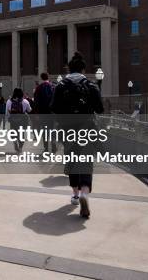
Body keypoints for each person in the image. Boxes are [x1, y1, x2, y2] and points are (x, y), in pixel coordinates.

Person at [51, 52, 103, 219]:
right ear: (83, 69)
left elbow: (53, 108)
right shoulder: (91, 85)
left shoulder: (60, 86)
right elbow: (100, 109)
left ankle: (75, 194)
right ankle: (85, 194)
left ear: (69, 69)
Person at [33, 72, 55, 153]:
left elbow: (36, 102)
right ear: (48, 77)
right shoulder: (53, 86)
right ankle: (53, 146)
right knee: (52, 130)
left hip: (42, 113)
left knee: (45, 130)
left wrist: (36, 114)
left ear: (41, 78)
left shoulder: (38, 88)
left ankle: (46, 148)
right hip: (52, 113)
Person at [7, 88, 31, 153]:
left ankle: (15, 143)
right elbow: (29, 110)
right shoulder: (25, 101)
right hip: (22, 121)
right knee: (21, 135)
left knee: (13, 134)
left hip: (13, 120)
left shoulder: (9, 101)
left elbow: (7, 112)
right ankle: (20, 148)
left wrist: (9, 118)